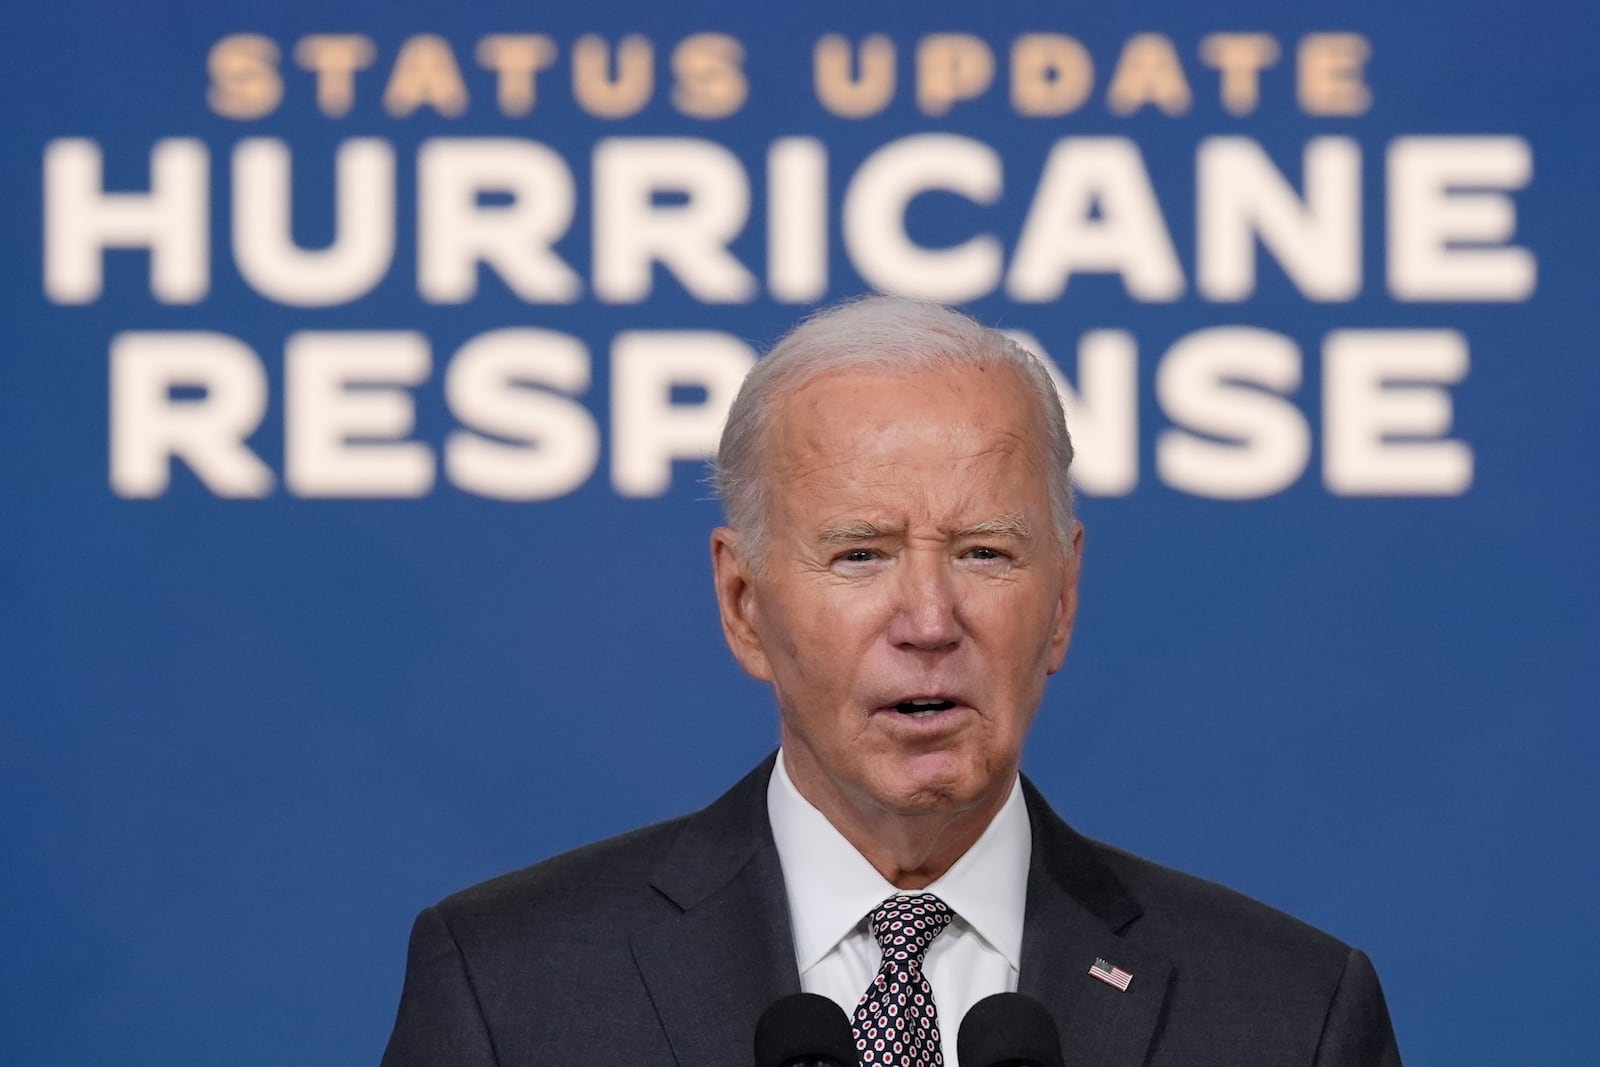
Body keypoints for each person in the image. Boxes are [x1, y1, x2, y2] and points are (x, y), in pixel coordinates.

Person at [379, 296, 1402, 1066]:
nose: (927, 620)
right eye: (860, 554)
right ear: (743, 603)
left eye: (986, 553)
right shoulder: (509, 989)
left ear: (1062, 599)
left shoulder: (1288, 1011)